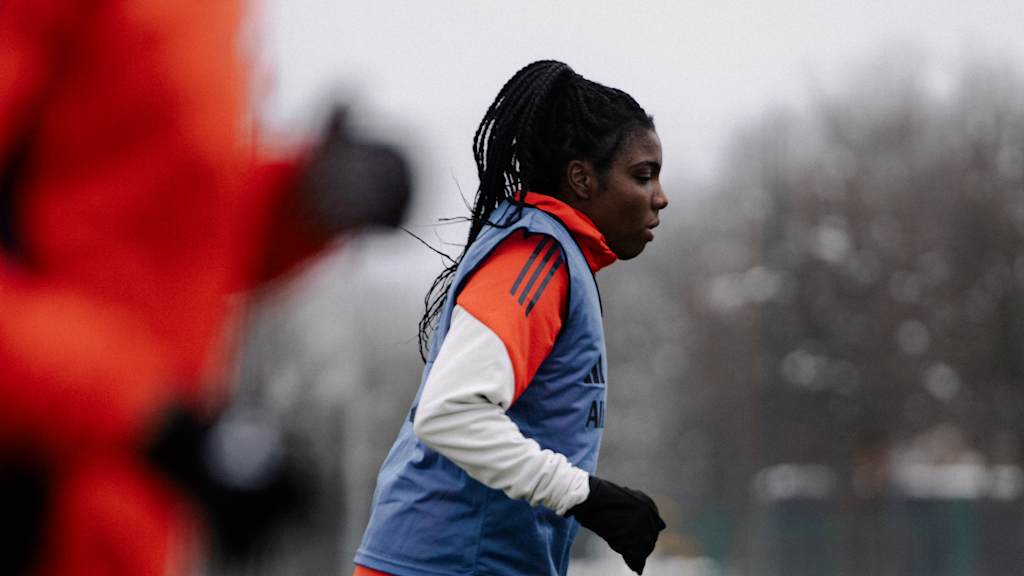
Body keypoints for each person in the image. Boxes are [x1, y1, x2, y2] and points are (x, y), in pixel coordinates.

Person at [0, 1, 409, 575]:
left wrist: (301, 204)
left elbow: (153, 230)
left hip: (119, 522)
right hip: (31, 490)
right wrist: (156, 422)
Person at [354, 60, 668, 576]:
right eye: (643, 175)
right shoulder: (534, 260)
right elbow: (451, 414)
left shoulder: (556, 257)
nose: (660, 196)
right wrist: (587, 496)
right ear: (582, 179)